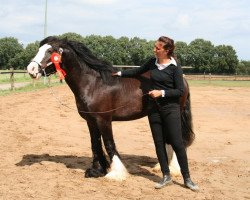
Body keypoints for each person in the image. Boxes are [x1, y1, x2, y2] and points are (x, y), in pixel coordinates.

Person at [112, 36, 199, 191]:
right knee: (158, 143)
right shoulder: (152, 62)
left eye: (157, 48)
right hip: (154, 109)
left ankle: (187, 178)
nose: (154, 50)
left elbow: (179, 91)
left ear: (167, 50)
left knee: (177, 143)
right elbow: (137, 71)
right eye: (155, 47)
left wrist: (162, 93)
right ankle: (166, 176)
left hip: (170, 108)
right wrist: (118, 74)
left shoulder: (175, 67)